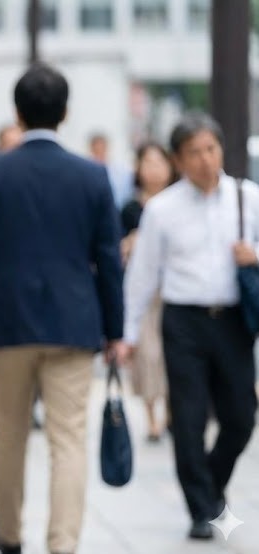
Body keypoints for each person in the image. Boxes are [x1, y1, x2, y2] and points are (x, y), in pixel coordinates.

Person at [0, 64, 124, 554]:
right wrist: (115, 330)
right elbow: (108, 260)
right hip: (74, 323)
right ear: (65, 113)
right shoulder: (92, 176)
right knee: (68, 439)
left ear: (18, 114)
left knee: (9, 435)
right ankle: (62, 543)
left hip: (6, 323)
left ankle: (8, 533)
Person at [123, 112, 257, 541]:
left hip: (233, 320)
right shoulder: (162, 210)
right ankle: (202, 508)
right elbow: (143, 275)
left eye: (211, 149)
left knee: (240, 416)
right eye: (194, 152)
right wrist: (125, 335)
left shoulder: (247, 197)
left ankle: (211, 484)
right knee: (189, 416)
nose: (205, 160)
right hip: (183, 322)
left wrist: (253, 256)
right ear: (178, 160)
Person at [119, 141, 176, 443]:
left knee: (169, 353)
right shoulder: (130, 209)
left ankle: (169, 411)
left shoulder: (178, 202)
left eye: (159, 162)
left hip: (174, 289)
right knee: (148, 354)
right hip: (144, 291)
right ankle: (152, 415)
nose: (154, 169)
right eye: (148, 163)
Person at [89, 132, 135, 209]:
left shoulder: (121, 172)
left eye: (102, 149)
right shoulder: (86, 173)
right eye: (96, 150)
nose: (100, 153)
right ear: (91, 150)